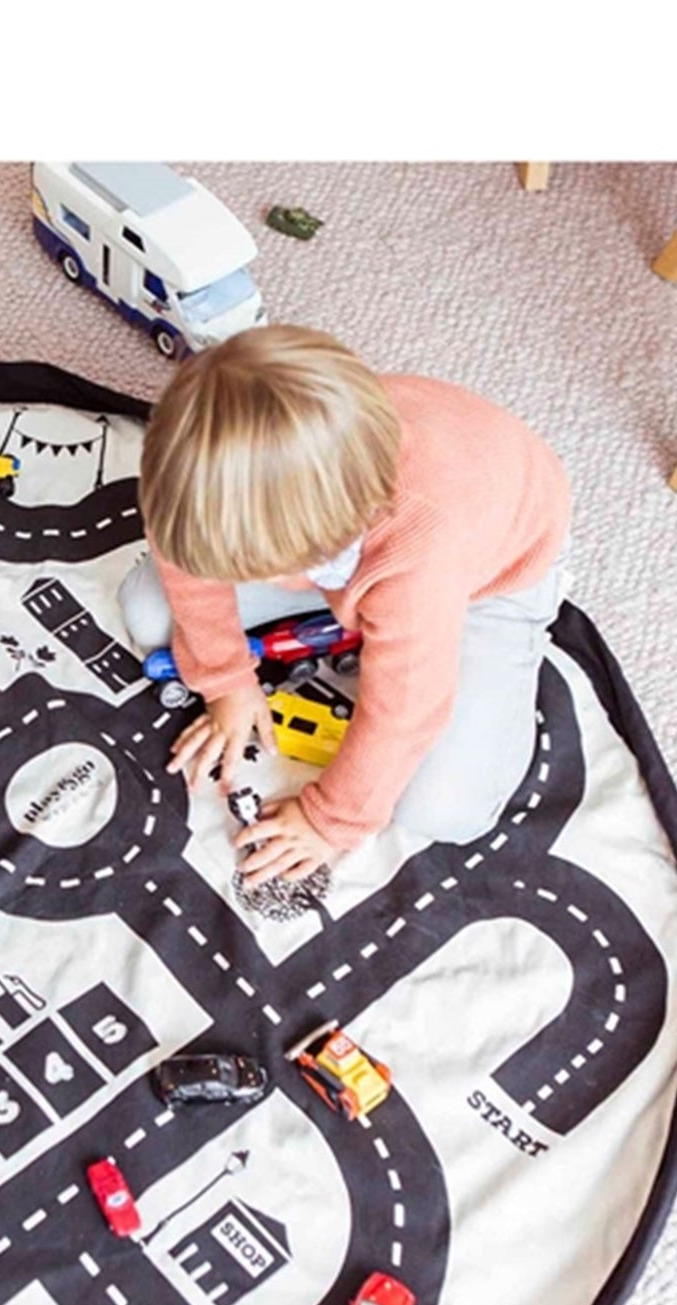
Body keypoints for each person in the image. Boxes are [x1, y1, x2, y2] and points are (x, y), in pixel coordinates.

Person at [120, 325, 571, 886]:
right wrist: (225, 679)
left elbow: (406, 710)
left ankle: (496, 637)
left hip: (496, 576)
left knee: (445, 810)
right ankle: (351, 615)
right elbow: (181, 555)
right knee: (147, 610)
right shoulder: (226, 483)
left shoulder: (418, 556)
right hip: (354, 530)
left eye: (246, 566)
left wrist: (329, 820)